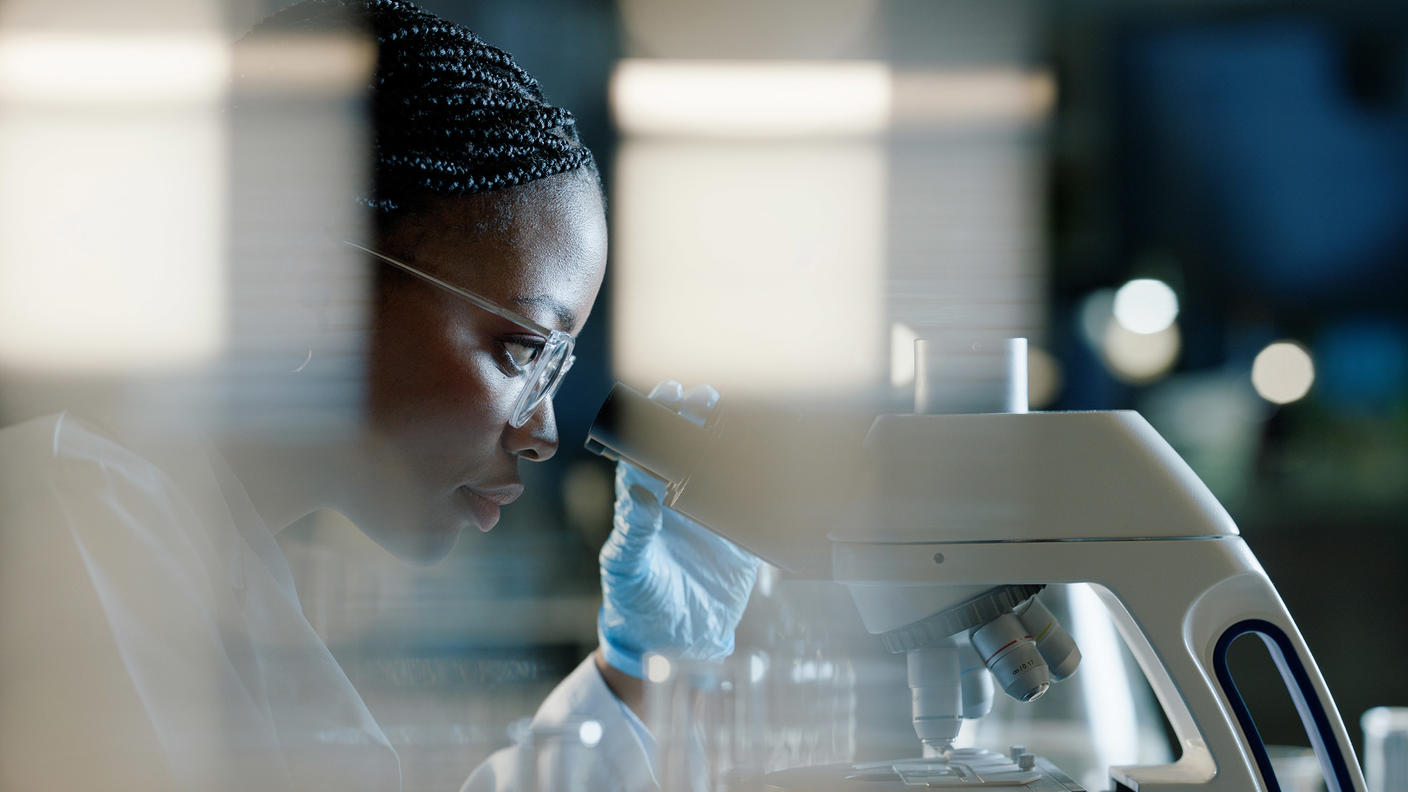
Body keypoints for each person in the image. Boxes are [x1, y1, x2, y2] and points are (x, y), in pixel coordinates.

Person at [0, 1, 757, 790]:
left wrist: (637, 676)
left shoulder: (207, 555)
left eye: (557, 370)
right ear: (320, 294)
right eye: (524, 350)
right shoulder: (78, 531)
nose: (542, 432)